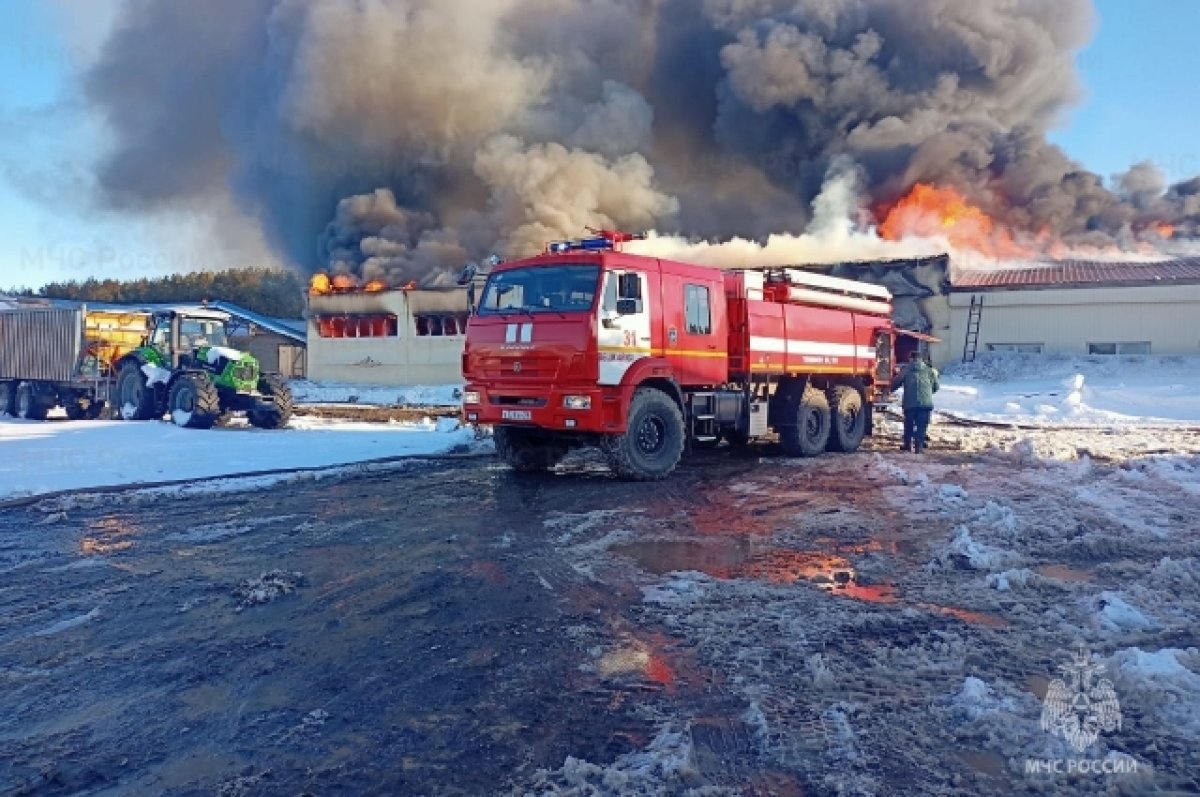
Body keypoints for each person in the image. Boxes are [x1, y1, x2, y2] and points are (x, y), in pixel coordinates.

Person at [891, 350, 939, 453]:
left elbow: (896, 383)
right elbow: (936, 387)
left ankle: (907, 445)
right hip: (925, 403)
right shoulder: (929, 370)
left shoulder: (906, 370)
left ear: (911, 359)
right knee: (922, 425)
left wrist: (886, 389)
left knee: (909, 424)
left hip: (910, 404)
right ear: (921, 359)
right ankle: (919, 447)